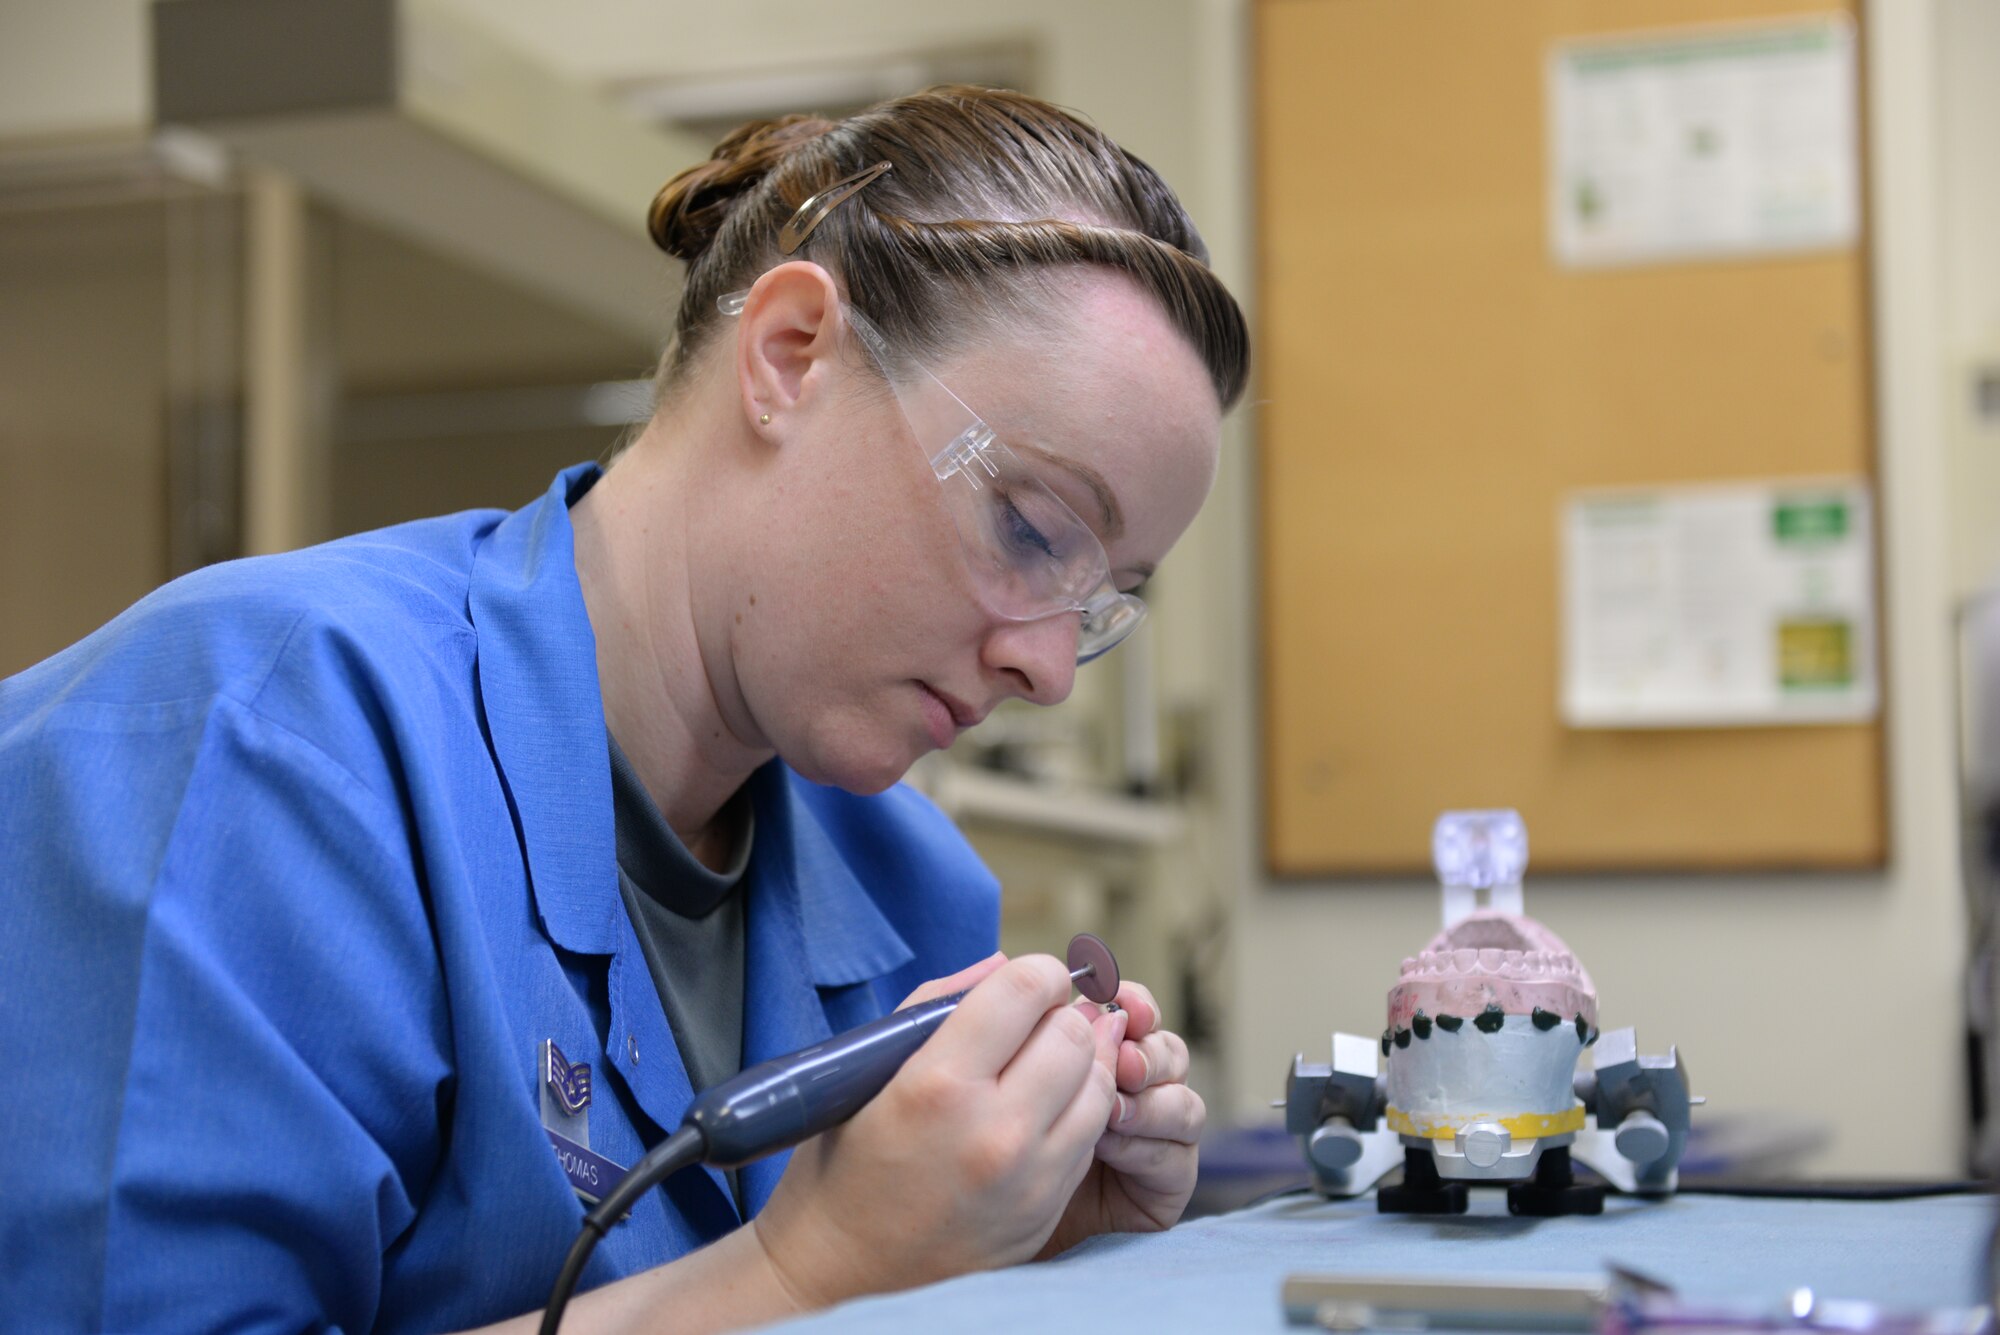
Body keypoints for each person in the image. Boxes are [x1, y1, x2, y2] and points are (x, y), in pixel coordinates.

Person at [0, 85, 1249, 1332]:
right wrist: (803, 1277)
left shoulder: (912, 893)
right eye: (1030, 530)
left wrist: (1014, 1260)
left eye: (1098, 606)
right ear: (790, 356)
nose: (1045, 669)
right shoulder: (262, 738)